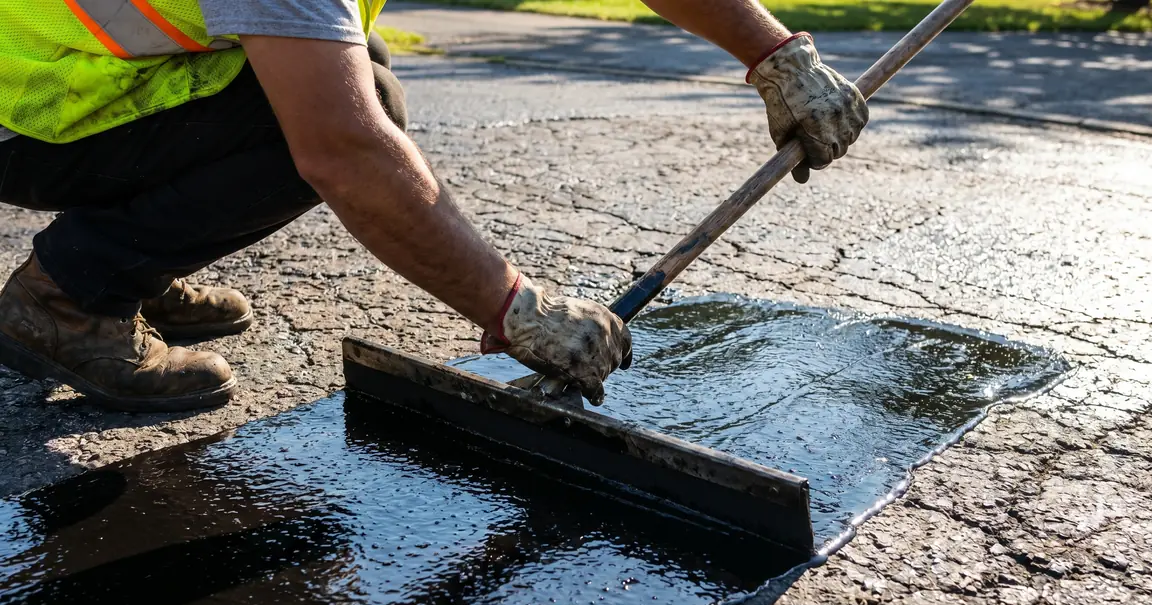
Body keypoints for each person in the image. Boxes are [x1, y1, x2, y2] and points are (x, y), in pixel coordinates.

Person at [0, 0, 868, 412]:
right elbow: (344, 153)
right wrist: (511, 305)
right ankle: (72, 293)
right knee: (340, 109)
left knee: (352, 60)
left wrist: (775, 54)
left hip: (76, 82)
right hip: (20, 106)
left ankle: (133, 258)